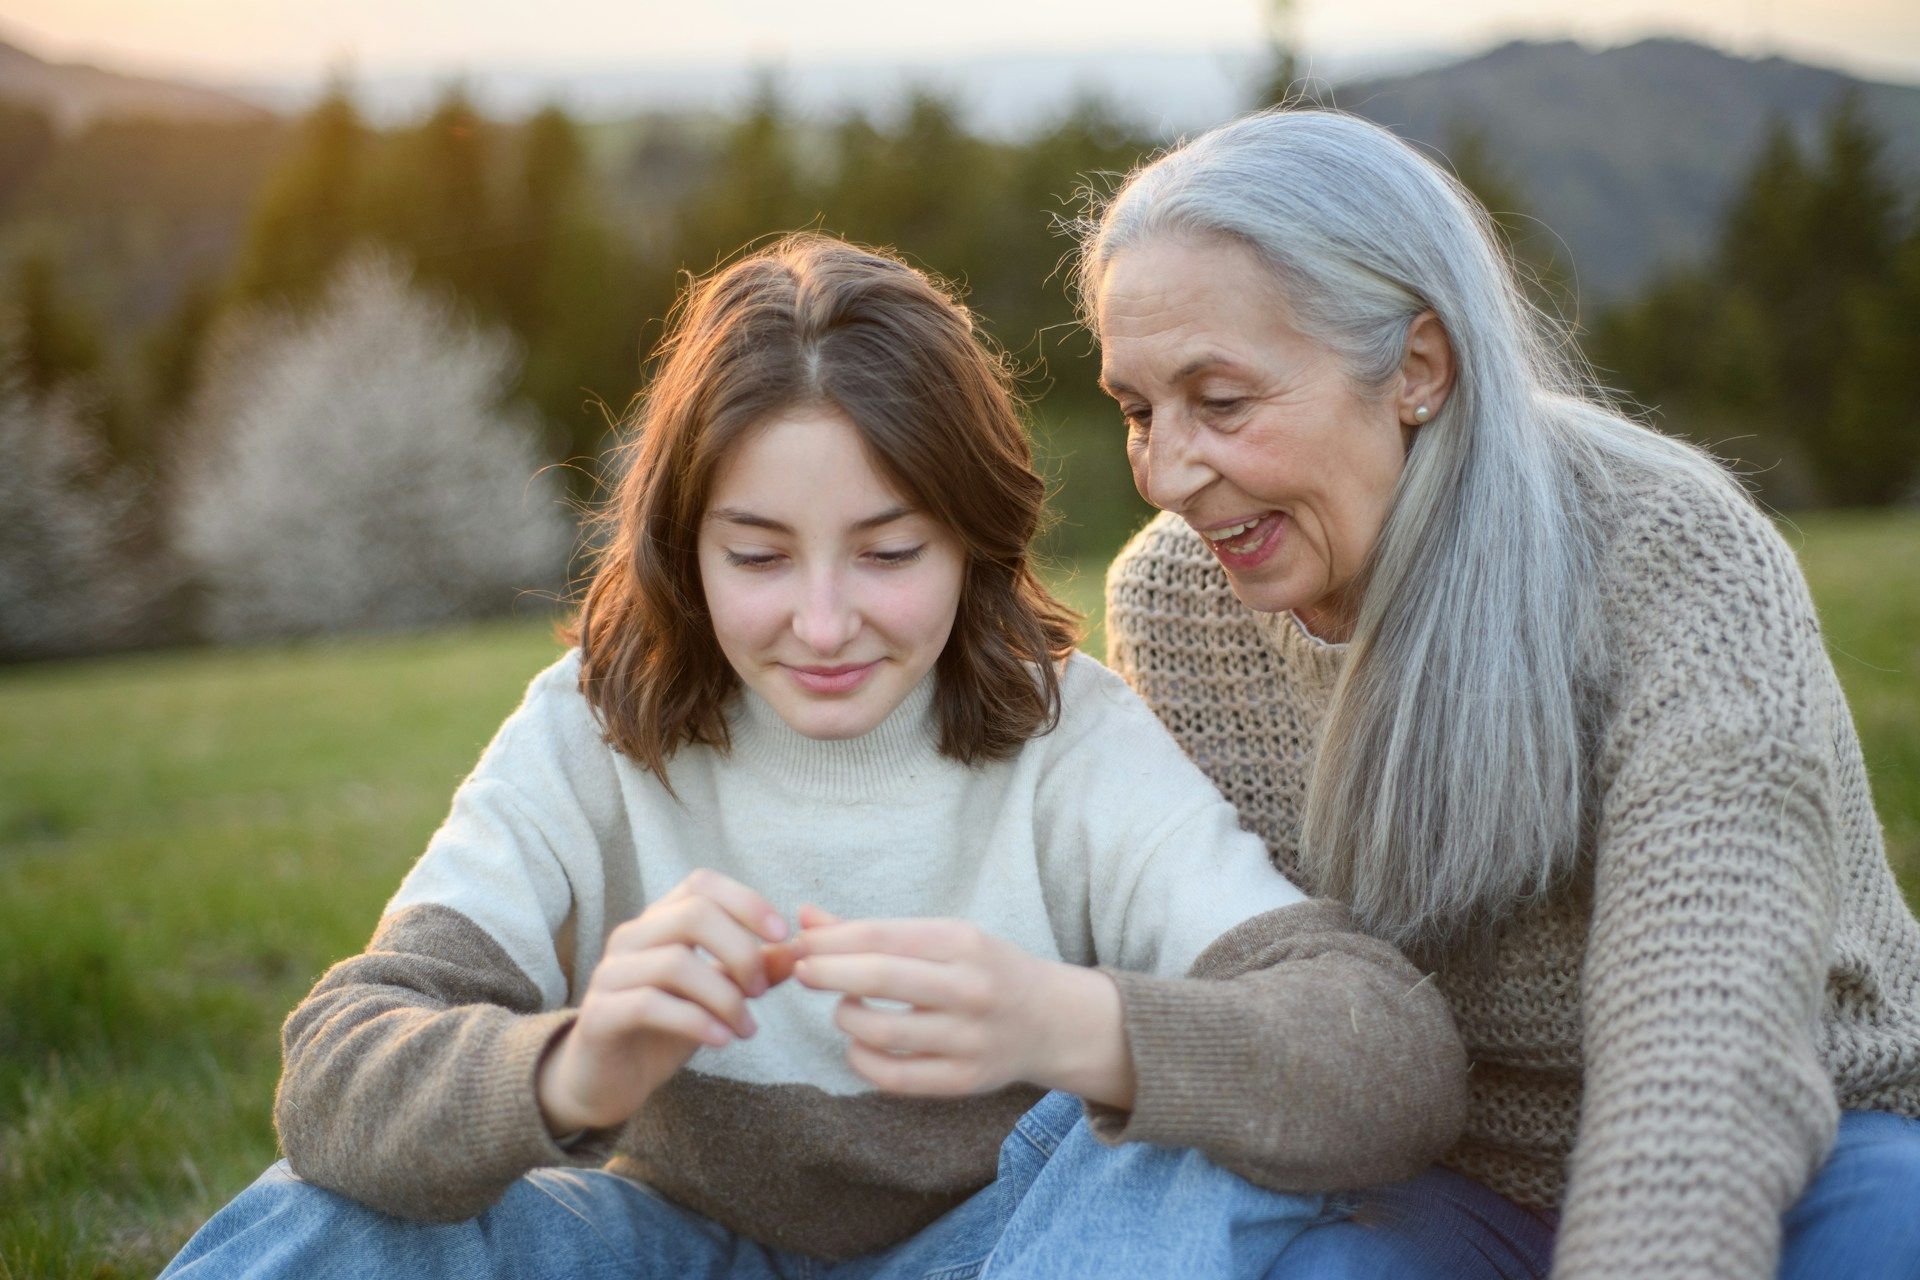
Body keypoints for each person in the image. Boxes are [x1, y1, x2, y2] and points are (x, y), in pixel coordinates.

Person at [159, 233, 1467, 1279]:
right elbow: (335, 1074)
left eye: (891, 553)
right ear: (687, 544)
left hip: (1012, 1250)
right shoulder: (591, 723)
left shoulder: (1067, 737)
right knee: (336, 1215)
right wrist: (576, 1065)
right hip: (670, 1249)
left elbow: (1390, 1062)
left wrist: (1064, 1024)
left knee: (1196, 1145)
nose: (825, 623)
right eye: (761, 554)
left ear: (971, 541)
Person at [1077, 107, 1920, 1280]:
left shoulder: (1670, 556)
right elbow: (1275, 1006)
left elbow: (1709, 1035)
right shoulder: (1175, 605)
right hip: (1444, 1176)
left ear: (1418, 369)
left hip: (1806, 1135)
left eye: (1222, 403)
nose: (1169, 471)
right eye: (1136, 410)